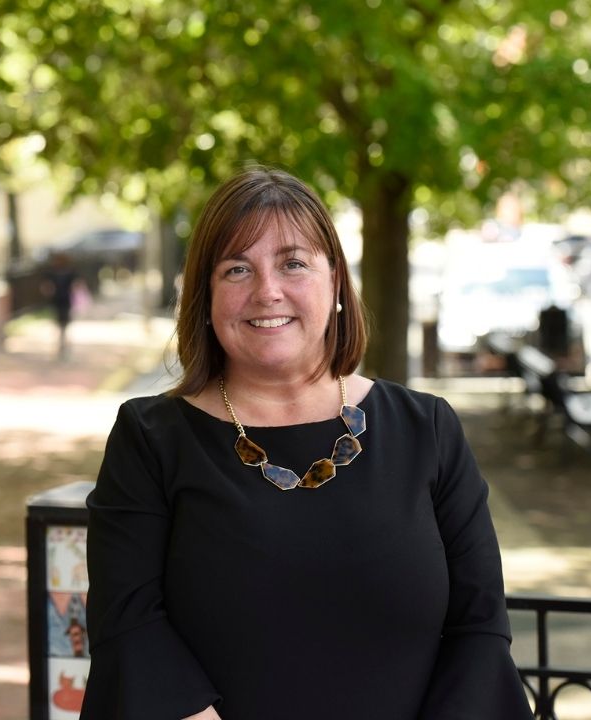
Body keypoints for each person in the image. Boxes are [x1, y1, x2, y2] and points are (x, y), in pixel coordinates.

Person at [81, 167, 532, 720]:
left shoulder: (428, 429)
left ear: (336, 281)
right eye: (237, 269)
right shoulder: (149, 440)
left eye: (293, 263)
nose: (267, 291)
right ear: (205, 294)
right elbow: (129, 625)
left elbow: (480, 627)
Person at [40, 251, 83, 361]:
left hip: (63, 300)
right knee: (61, 323)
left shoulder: (67, 272)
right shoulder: (54, 272)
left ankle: (63, 343)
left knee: (63, 323)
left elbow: (76, 285)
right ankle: (62, 342)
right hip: (59, 301)